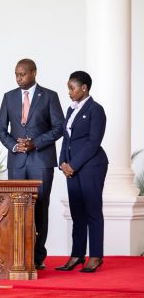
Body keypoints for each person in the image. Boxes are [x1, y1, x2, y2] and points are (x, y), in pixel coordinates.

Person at [0, 58, 64, 270]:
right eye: (16, 74)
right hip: (17, 162)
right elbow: (0, 130)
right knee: (16, 209)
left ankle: (37, 257)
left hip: (41, 161)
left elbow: (59, 127)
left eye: (22, 74)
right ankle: (17, 256)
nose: (18, 78)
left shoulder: (49, 96)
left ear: (33, 72)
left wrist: (35, 143)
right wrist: (15, 146)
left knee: (40, 207)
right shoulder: (9, 97)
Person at [55, 71, 108, 273]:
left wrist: (73, 165)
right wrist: (62, 163)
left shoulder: (96, 110)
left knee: (92, 211)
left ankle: (95, 256)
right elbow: (66, 139)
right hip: (72, 169)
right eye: (68, 87)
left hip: (92, 166)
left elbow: (93, 142)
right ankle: (77, 255)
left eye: (72, 87)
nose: (69, 92)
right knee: (77, 213)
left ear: (84, 88)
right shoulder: (71, 110)